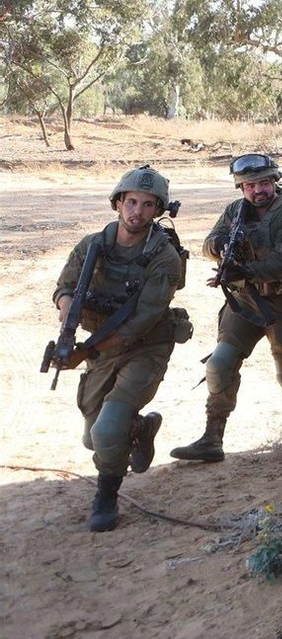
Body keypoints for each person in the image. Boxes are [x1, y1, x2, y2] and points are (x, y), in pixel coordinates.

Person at [50, 165, 190, 531]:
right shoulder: (93, 245)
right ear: (117, 203)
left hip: (146, 347)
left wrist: (85, 353)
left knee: (107, 433)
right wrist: (69, 320)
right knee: (92, 439)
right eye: (131, 202)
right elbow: (64, 288)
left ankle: (106, 496)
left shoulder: (164, 258)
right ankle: (141, 428)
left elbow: (140, 323)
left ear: (157, 211)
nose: (136, 212)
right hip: (101, 348)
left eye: (147, 205)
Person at [171, 154, 282, 462]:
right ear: (241, 187)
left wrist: (246, 272)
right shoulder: (236, 211)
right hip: (245, 300)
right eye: (250, 185)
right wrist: (220, 247)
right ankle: (212, 437)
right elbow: (208, 243)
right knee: (219, 365)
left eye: (264, 183)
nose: (258, 191)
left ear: (274, 181)